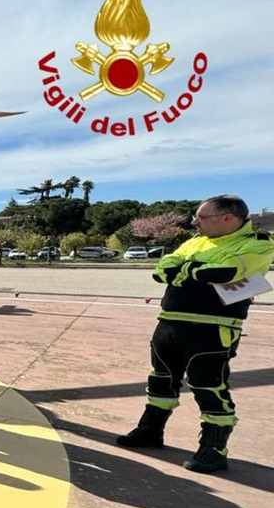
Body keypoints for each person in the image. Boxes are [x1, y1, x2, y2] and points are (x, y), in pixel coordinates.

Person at [116, 195, 273, 473]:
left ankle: (213, 449)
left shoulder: (258, 243)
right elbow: (162, 269)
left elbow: (226, 272)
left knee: (208, 385)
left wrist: (185, 270)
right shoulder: (195, 241)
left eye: (201, 217)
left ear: (227, 218)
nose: (194, 223)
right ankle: (151, 430)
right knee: (161, 379)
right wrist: (196, 272)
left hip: (212, 327)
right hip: (170, 322)